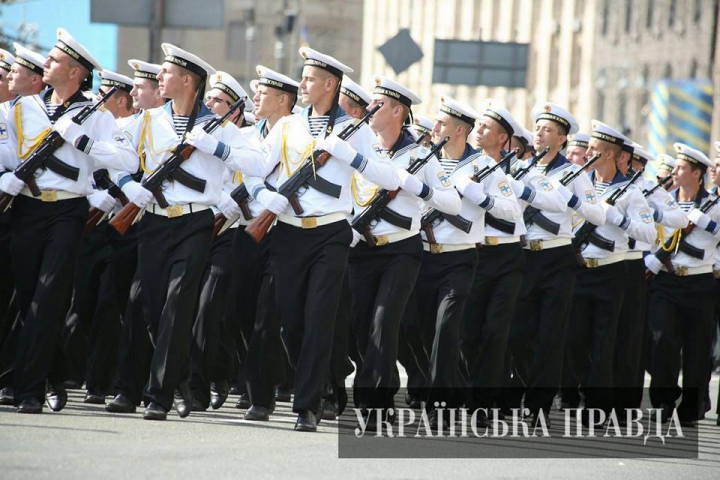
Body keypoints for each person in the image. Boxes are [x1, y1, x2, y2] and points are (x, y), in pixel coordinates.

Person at [233, 46, 401, 431]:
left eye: (309, 79)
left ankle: (305, 406)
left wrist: (351, 156)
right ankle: (323, 379)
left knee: (319, 318)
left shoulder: (354, 130)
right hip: (289, 233)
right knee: (290, 324)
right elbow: (259, 166)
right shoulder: (289, 125)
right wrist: (258, 191)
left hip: (330, 234)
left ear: (330, 84)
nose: (302, 84)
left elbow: (389, 179)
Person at [0, 28, 137, 413]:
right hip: (26, 209)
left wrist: (84, 142)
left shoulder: (94, 113)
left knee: (47, 298)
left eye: (55, 60)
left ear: (76, 72)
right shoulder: (21, 107)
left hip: (66, 212)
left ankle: (27, 391)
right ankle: (55, 373)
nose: (46, 63)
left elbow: (129, 162)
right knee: (29, 301)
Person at [349, 77, 460, 429]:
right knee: (358, 327)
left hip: (401, 251)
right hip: (360, 249)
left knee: (383, 323)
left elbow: (452, 202)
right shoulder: (359, 145)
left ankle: (376, 404)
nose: (369, 109)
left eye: (378, 104)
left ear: (398, 110)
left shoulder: (420, 154)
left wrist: (420, 187)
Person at [567, 120, 656, 422]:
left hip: (610, 273)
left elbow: (650, 234)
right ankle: (587, 389)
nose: (585, 154)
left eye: (592, 150)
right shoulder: (580, 182)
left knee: (604, 342)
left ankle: (597, 406)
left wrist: (619, 220)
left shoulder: (630, 193)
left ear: (607, 155)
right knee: (575, 340)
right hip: (579, 270)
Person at [105, 58, 166, 415]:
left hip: (159, 223)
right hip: (129, 223)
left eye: (141, 87)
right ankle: (127, 386)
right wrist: (128, 185)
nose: (133, 93)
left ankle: (158, 383)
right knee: (127, 304)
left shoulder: (169, 125)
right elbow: (115, 165)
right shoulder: (129, 125)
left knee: (149, 301)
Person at [644, 143, 720, 427]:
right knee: (662, 339)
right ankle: (664, 400)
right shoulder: (664, 201)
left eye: (681, 168)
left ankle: (691, 405)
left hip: (699, 283)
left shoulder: (713, 204)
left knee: (697, 349)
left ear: (697, 174)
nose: (674, 172)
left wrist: (709, 225)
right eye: (674, 166)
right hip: (666, 280)